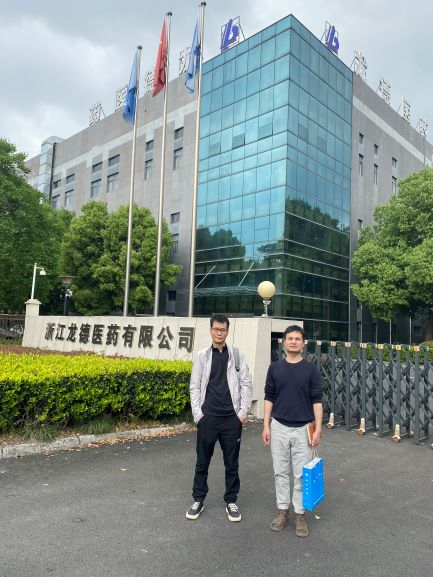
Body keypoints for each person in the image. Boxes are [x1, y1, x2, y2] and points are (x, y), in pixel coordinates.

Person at [186, 314, 253, 522]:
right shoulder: (202, 356)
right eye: (216, 329)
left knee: (232, 463)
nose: (219, 333)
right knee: (202, 462)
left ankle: (231, 500)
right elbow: (195, 386)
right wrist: (198, 415)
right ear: (210, 330)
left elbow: (246, 384)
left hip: (231, 419)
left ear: (227, 331)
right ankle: (198, 499)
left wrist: (242, 414)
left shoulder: (237, 355)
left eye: (222, 329)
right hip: (208, 418)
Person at [262, 325, 323, 537]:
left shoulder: (311, 370)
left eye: (298, 338)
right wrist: (266, 425)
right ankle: (282, 510)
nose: (294, 341)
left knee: (301, 475)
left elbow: (317, 400)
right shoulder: (275, 368)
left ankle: (299, 514)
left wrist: (318, 428)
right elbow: (269, 396)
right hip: (279, 426)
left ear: (303, 343)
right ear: (284, 342)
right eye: (290, 338)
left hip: (304, 428)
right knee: (280, 472)